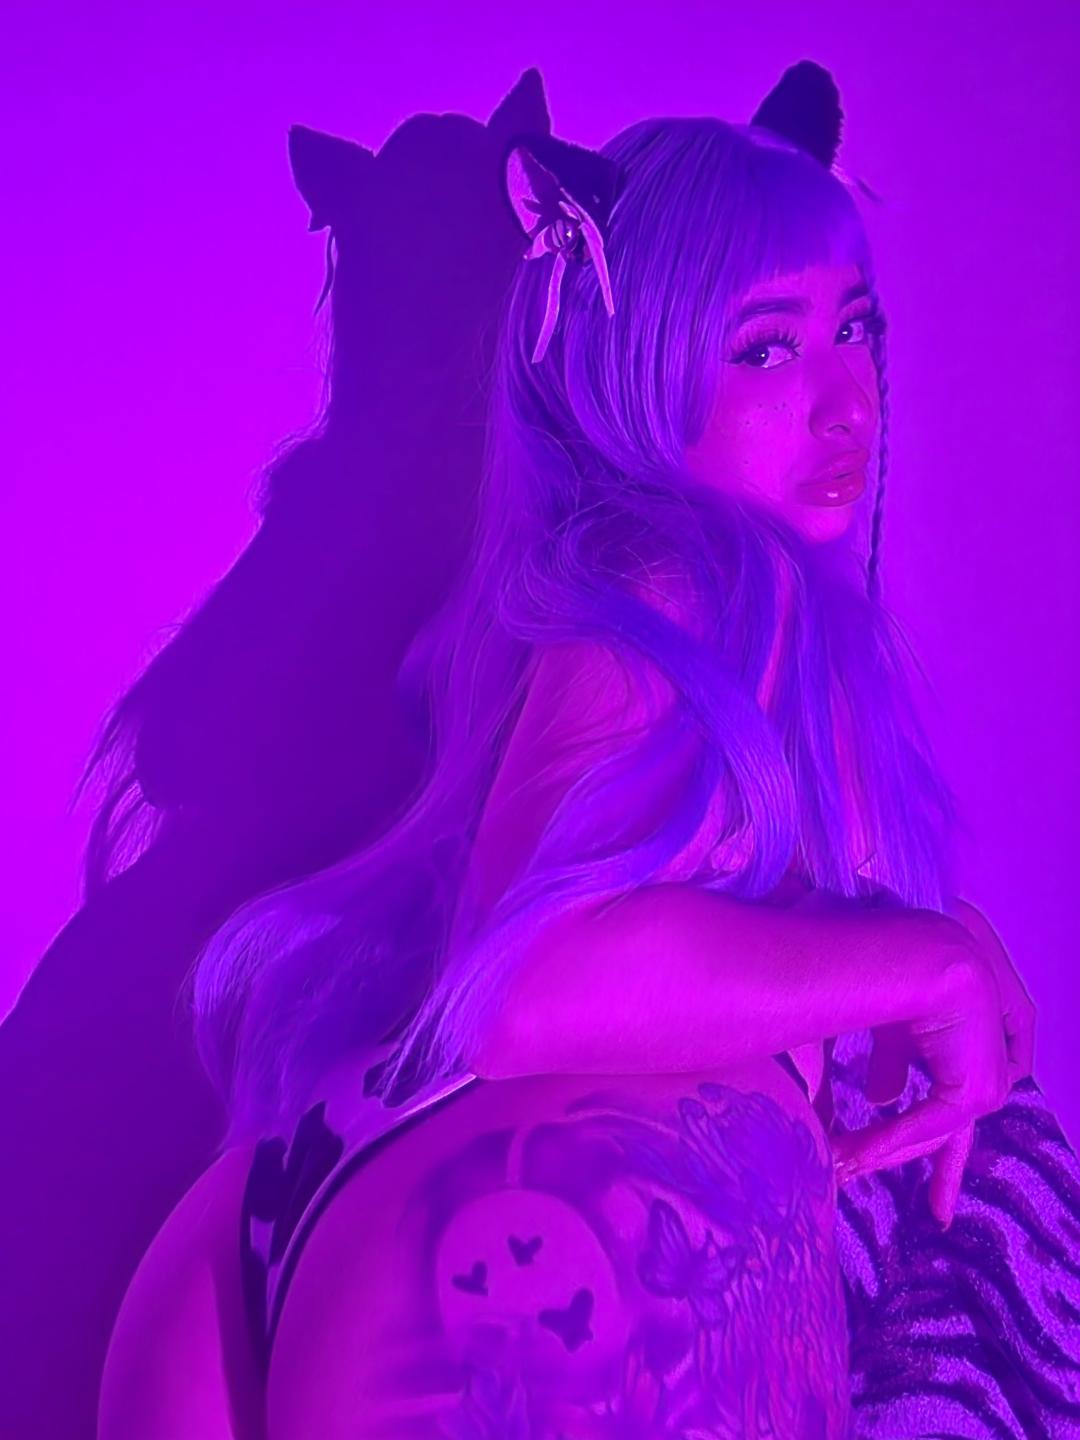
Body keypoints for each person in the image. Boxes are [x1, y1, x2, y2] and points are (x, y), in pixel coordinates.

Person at [98, 63, 1080, 1439]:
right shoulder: (678, 584)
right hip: (538, 1231)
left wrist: (918, 936)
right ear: (637, 370)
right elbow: (531, 983)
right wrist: (924, 963)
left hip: (284, 1225)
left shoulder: (662, 620)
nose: (846, 400)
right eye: (764, 348)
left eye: (855, 328)